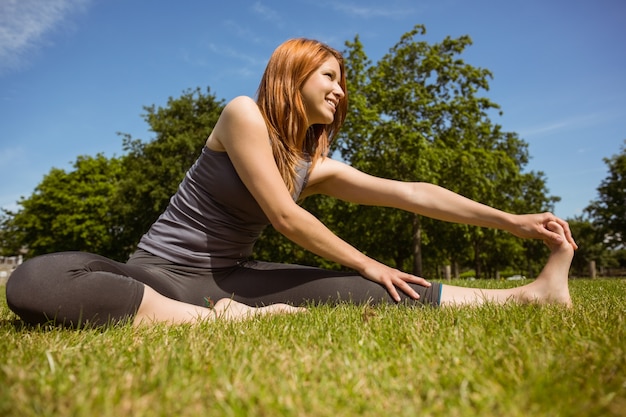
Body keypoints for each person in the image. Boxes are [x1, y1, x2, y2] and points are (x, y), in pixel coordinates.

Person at [6, 38, 577, 328]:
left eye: (342, 82)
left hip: (233, 281)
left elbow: (411, 192)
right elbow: (284, 216)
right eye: (329, 76)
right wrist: (366, 260)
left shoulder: (314, 165)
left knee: (390, 291)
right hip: (160, 276)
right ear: (293, 74)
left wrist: (512, 221)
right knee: (37, 280)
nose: (340, 90)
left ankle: (529, 295)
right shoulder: (242, 115)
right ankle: (221, 325)